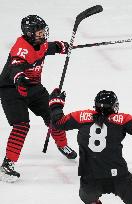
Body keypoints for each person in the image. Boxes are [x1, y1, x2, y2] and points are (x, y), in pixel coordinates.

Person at [48, 89, 132, 204]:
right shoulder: (122, 119)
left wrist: (56, 104)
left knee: (89, 198)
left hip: (90, 178)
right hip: (119, 176)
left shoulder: (81, 116)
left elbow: (58, 123)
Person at [0, 15, 77, 183]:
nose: (43, 34)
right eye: (40, 32)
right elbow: (15, 65)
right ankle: (7, 165)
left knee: (54, 118)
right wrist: (19, 78)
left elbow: (46, 48)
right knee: (21, 126)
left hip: (34, 87)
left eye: (43, 31)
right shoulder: (21, 48)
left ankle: (62, 144)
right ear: (29, 33)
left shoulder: (38, 43)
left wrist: (60, 46)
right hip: (12, 90)